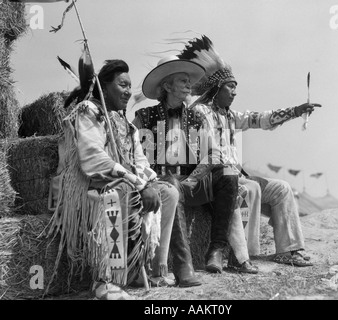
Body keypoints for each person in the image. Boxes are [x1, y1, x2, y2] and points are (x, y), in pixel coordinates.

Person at [178, 35, 321, 267]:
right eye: (230, 87)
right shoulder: (200, 112)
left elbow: (261, 118)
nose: (235, 92)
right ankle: (241, 256)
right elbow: (209, 153)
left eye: (236, 88)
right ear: (216, 89)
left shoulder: (230, 116)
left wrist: (296, 111)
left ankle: (288, 250)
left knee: (282, 189)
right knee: (251, 187)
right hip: (213, 177)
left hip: (237, 177)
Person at [47, 59, 184, 300]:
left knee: (168, 192)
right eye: (122, 85)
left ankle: (153, 268)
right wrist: (138, 183)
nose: (128, 91)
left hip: (127, 185)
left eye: (130, 86)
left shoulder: (126, 124)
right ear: (104, 86)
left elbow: (140, 161)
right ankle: (106, 279)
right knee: (119, 191)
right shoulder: (88, 111)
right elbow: (93, 160)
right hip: (90, 188)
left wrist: (149, 182)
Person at [133, 56, 258, 274]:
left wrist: (193, 179)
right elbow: (129, 151)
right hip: (161, 184)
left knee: (228, 173)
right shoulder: (144, 117)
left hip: (192, 184)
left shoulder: (195, 117)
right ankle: (182, 266)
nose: (189, 84)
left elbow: (215, 153)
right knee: (171, 183)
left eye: (189, 80)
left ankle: (216, 250)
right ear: (166, 85)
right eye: (183, 80)